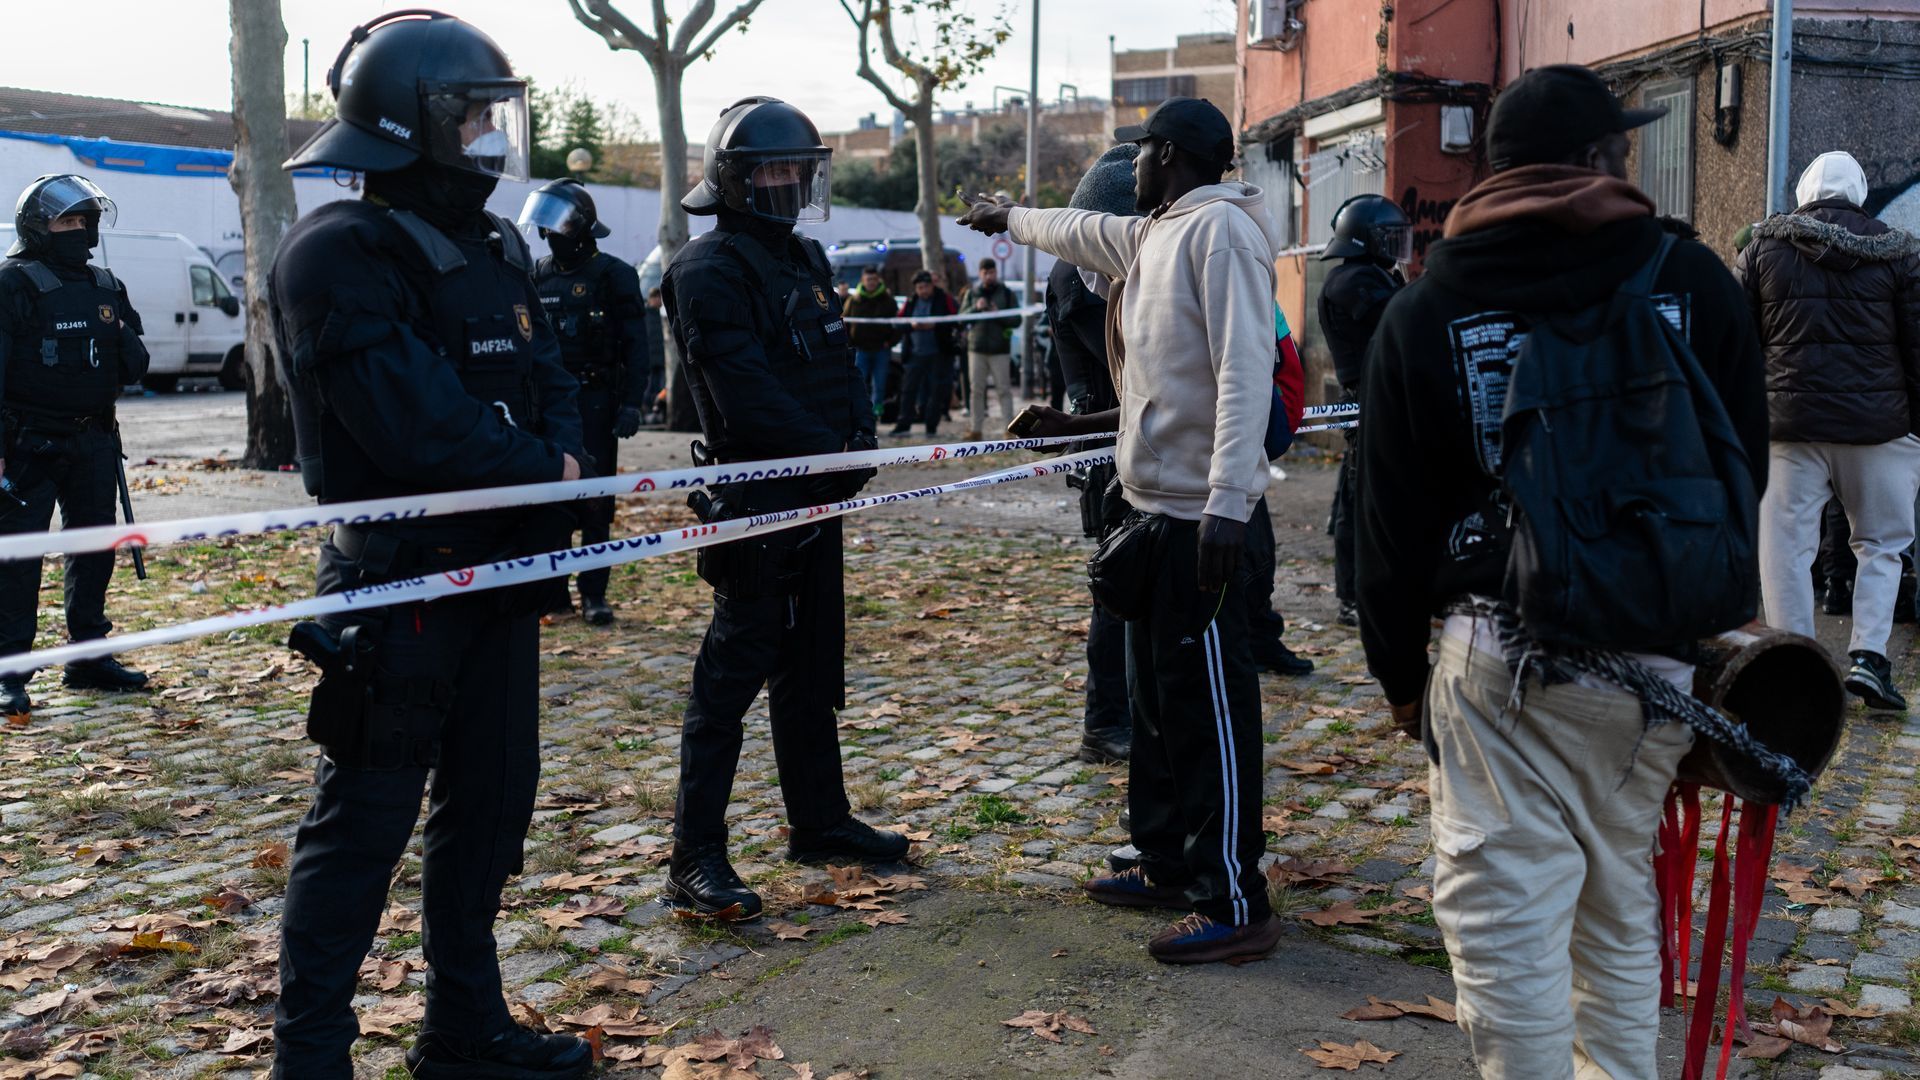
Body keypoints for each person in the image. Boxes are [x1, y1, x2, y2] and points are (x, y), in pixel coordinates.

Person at [1355, 65, 1775, 1077]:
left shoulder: (1424, 309)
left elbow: (1384, 523)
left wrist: (1401, 683)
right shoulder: (1692, 280)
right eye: (1621, 147)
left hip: (1499, 657)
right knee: (1619, 905)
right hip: (1654, 664)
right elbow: (1743, 473)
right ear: (1595, 160)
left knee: (1506, 926)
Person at [266, 13, 591, 1079]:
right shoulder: (334, 251)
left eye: (498, 117)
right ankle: (310, 1056)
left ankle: (464, 1029)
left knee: (491, 811)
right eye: (473, 118)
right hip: (397, 582)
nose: (491, 139)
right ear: (413, 124)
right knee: (364, 824)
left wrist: (561, 464)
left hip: (501, 579)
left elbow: (549, 384)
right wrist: (545, 468)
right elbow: (415, 428)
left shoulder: (496, 242)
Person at [960, 96, 1282, 965]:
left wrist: (1226, 502)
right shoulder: (1155, 235)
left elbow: (1245, 373)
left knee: (1211, 713)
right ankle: (1168, 862)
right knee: (1154, 705)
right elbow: (1075, 231)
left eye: (1139, 156)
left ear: (1165, 155)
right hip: (1152, 514)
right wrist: (1005, 218)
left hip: (1200, 525)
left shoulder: (1220, 234)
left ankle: (1234, 900)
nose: (1128, 173)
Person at [663, 95, 905, 920]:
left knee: (809, 670)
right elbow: (744, 394)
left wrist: (857, 445)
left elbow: (839, 369)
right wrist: (830, 460)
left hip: (817, 499)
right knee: (728, 680)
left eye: (795, 167)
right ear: (731, 179)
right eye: (769, 168)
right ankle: (693, 857)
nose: (786, 181)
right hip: (759, 501)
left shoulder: (805, 257)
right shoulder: (704, 270)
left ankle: (820, 821)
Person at [1737, 149, 1920, 712]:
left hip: (1788, 426)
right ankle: (1869, 659)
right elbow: (1916, 347)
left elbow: (1741, 346)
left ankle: (1798, 669)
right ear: (1859, 192)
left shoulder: (1762, 248)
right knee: (1882, 545)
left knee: (1785, 548)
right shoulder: (1899, 251)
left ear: (1804, 194)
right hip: (1880, 428)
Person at [0, 174, 153, 720]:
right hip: (26, 447)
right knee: (17, 562)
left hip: (94, 439)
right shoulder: (12, 283)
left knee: (93, 552)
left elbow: (136, 364)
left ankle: (87, 658)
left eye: (85, 221)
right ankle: (8, 672)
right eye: (68, 220)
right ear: (38, 228)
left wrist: (119, 338)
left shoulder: (106, 285)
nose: (80, 230)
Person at [1045, 145, 1140, 765]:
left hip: (1135, 436)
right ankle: (1105, 722)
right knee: (1120, 583)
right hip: (1113, 444)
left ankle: (1129, 712)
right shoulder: (1079, 281)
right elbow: (1126, 376)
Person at [520, 177, 649, 626]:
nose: (551, 236)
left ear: (581, 227)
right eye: (546, 229)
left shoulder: (614, 274)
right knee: (551, 500)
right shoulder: (537, 274)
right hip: (548, 405)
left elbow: (637, 346)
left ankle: (594, 593)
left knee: (596, 502)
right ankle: (553, 594)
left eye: (558, 227)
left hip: (597, 402)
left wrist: (633, 402)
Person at [1316, 193, 1408, 629]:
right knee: (1357, 504)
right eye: (1389, 238)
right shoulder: (1350, 280)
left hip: (1379, 401)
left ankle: (1372, 590)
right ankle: (1352, 597)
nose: (1397, 247)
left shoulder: (1373, 275)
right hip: (1364, 402)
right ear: (1366, 239)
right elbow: (1399, 318)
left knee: (1372, 500)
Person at [888, 269, 959, 436]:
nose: (923, 291)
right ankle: (903, 424)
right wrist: (911, 326)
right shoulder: (911, 301)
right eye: (920, 287)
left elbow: (956, 320)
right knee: (908, 390)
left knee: (936, 391)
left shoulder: (944, 299)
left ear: (932, 286)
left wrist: (935, 325)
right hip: (915, 354)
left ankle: (931, 426)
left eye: (926, 286)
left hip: (939, 354)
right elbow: (898, 323)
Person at [958, 257, 1021, 440]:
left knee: (1004, 389)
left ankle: (1009, 428)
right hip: (976, 348)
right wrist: (976, 310)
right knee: (976, 390)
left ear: (996, 273)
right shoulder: (972, 293)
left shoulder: (1006, 293)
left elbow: (1017, 320)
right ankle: (975, 429)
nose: (989, 276)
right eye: (985, 273)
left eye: (991, 272)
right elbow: (961, 319)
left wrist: (998, 314)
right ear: (980, 274)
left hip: (999, 349)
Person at [843, 263, 900, 420]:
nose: (871, 282)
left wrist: (891, 341)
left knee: (880, 384)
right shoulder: (853, 300)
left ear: (878, 280)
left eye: (874, 279)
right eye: (868, 279)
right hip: (860, 350)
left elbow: (897, 324)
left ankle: (875, 413)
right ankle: (861, 414)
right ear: (863, 280)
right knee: (860, 384)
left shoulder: (888, 300)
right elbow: (845, 322)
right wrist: (850, 342)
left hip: (881, 349)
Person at [644, 286, 668, 423]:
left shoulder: (660, 315)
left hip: (659, 358)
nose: (660, 301)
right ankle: (650, 411)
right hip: (651, 358)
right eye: (658, 298)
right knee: (650, 387)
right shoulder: (647, 315)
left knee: (659, 386)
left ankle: (656, 411)